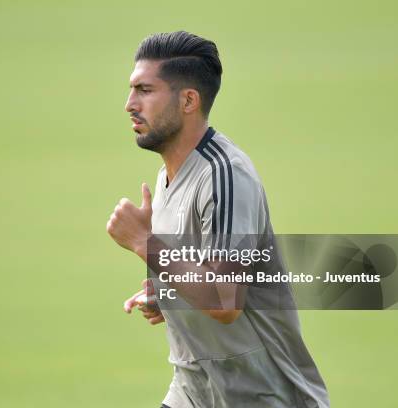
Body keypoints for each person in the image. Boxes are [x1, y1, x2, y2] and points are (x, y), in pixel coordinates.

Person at [106, 31, 330, 408]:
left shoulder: (225, 176)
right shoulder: (168, 176)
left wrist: (145, 243)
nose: (130, 103)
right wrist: (170, 295)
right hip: (195, 389)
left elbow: (225, 299)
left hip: (262, 395)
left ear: (189, 100)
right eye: (132, 90)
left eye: (145, 90)